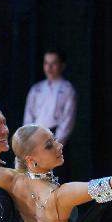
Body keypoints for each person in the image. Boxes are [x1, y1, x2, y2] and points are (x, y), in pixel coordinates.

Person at [23, 48, 76, 182]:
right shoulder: (36, 88)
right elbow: (28, 116)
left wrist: (54, 144)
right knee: (35, 177)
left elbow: (67, 120)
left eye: (54, 63)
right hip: (35, 136)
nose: (49, 67)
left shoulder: (67, 89)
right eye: (46, 63)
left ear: (62, 65)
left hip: (55, 137)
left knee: (56, 178)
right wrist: (29, 139)